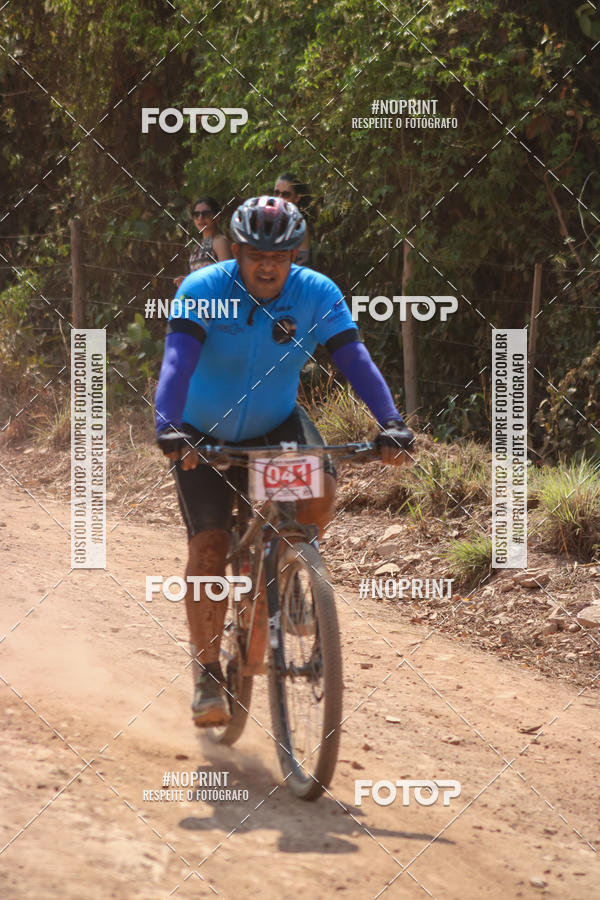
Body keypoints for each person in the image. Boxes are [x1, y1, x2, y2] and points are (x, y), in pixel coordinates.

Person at [154, 196, 415, 727]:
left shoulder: (316, 293)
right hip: (203, 435)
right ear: (238, 250)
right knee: (209, 547)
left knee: (319, 485)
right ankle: (209, 672)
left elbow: (354, 359)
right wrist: (170, 427)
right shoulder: (202, 291)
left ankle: (293, 570)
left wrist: (390, 422)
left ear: (295, 253)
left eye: (280, 254)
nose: (268, 265)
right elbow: (177, 365)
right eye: (254, 253)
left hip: (276, 425)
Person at [173, 196, 232, 288]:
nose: (200, 218)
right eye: (196, 214)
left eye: (206, 214)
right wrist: (188, 281)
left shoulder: (220, 242)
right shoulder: (198, 246)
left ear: (217, 217)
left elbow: (227, 278)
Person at [273, 173, 312, 266]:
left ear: (297, 198)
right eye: (276, 192)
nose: (279, 198)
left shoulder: (299, 225)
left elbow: (301, 263)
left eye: (285, 194)